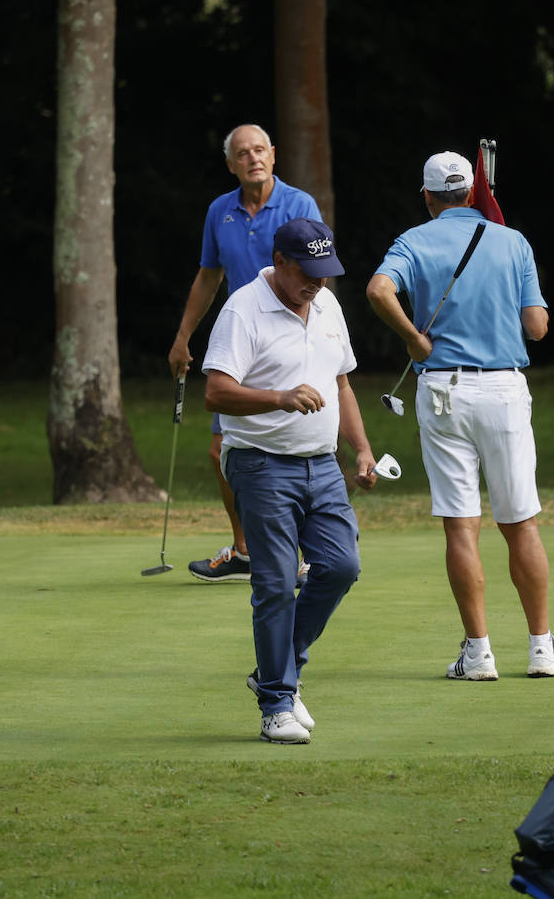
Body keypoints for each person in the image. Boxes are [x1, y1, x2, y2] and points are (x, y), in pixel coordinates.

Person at [365, 150, 554, 680]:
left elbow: (378, 290)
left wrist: (413, 338)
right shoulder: (513, 240)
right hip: (503, 389)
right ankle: (542, 648)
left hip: (443, 392)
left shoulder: (413, 240)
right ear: (474, 192)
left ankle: (478, 655)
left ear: (428, 196)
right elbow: (537, 328)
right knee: (520, 523)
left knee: (462, 528)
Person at [203, 218, 377, 743]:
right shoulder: (242, 310)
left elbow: (341, 384)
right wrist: (279, 397)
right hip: (259, 463)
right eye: (308, 272)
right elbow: (216, 392)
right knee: (276, 582)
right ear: (280, 261)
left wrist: (362, 449)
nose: (317, 284)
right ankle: (277, 703)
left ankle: (278, 670)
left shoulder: (326, 304)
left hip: (322, 463)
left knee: (341, 566)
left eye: (325, 274)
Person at [168, 123, 323, 583]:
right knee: (222, 451)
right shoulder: (221, 211)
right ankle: (246, 550)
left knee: (294, 447)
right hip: (241, 342)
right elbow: (208, 277)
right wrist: (183, 338)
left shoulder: (299, 205)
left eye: (260, 150)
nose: (253, 158)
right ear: (231, 163)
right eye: (243, 153)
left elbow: (318, 273)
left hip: (289, 338)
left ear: (273, 155)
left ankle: (297, 551)